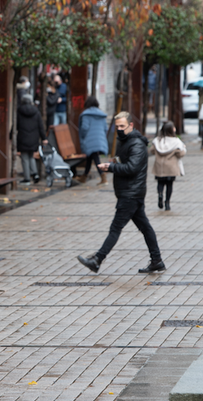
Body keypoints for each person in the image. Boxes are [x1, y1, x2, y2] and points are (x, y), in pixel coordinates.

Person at [77, 112, 166, 274]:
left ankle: (97, 260)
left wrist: (111, 167)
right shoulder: (126, 141)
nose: (119, 129)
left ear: (131, 125)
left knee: (115, 228)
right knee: (145, 227)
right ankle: (157, 260)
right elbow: (125, 162)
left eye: (122, 126)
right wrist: (114, 163)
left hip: (131, 194)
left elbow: (132, 168)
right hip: (131, 192)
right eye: (117, 126)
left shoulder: (137, 144)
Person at [149, 121, 186, 211]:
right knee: (169, 185)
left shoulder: (157, 140)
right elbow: (180, 154)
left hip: (159, 166)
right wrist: (184, 148)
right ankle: (167, 202)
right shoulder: (176, 142)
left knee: (160, 183)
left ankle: (160, 194)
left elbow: (152, 151)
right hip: (171, 168)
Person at [77, 96, 109, 185]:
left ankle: (103, 177)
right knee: (90, 157)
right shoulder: (101, 114)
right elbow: (105, 128)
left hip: (90, 139)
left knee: (95, 157)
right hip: (100, 139)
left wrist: (83, 138)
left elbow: (84, 128)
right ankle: (84, 177)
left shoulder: (86, 114)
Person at [16, 94, 46, 185]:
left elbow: (16, 125)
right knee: (31, 156)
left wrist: (10, 136)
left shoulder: (19, 111)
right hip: (34, 137)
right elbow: (41, 126)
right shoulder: (36, 111)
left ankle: (27, 179)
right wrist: (44, 137)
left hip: (23, 137)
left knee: (24, 157)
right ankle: (35, 174)